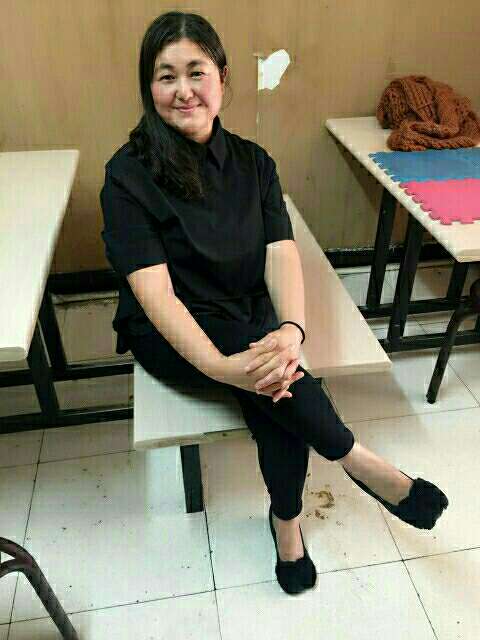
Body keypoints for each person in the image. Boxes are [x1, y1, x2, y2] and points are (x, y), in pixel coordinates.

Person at [100, 11, 449, 596]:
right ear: (148, 87)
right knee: (278, 383)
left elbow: (281, 252)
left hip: (246, 312)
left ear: (222, 76)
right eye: (165, 76)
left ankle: (289, 522)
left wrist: (292, 329)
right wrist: (219, 367)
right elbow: (156, 294)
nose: (183, 90)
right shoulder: (126, 176)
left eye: (196, 72)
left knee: (275, 385)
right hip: (173, 329)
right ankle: (355, 464)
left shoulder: (254, 162)